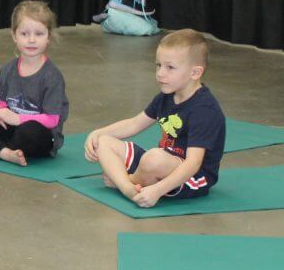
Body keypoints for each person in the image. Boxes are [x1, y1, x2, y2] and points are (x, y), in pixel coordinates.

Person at [84, 29, 224, 208]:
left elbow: (193, 163)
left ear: (195, 73)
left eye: (170, 67)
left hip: (192, 177)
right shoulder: (166, 96)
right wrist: (97, 133)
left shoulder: (204, 109)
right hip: (159, 164)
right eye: (158, 65)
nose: (160, 73)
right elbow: (135, 123)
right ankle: (129, 188)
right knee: (104, 142)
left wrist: (157, 190)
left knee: (153, 159)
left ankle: (126, 181)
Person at [0, 0, 70, 166]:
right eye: (24, 34)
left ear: (48, 37)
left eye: (39, 34)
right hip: (11, 130)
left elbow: (52, 120)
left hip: (39, 136)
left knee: (29, 131)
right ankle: (5, 152)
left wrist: (17, 118)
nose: (31, 40)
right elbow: (0, 103)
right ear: (14, 36)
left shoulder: (52, 76)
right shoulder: (7, 70)